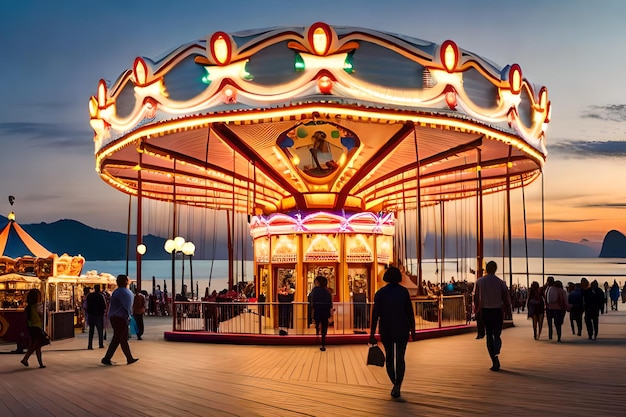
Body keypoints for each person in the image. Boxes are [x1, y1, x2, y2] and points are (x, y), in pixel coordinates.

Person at [369, 266, 416, 399]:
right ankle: (398, 384)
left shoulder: (380, 293)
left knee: (389, 356)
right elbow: (409, 312)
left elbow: (375, 315)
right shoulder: (403, 292)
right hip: (402, 329)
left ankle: (394, 382)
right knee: (400, 357)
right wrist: (413, 330)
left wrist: (372, 334)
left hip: (387, 329)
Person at [474, 261, 511, 371]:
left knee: (489, 334)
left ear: (486, 269)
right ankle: (496, 349)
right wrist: (508, 308)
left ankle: (494, 359)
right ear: (495, 269)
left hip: (485, 311)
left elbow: (475, 296)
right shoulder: (500, 282)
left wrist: (476, 309)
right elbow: (506, 297)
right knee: (497, 333)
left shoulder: (480, 281)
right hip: (497, 311)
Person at [101, 274, 139, 365]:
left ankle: (107, 358)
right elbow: (127, 306)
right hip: (120, 318)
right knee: (122, 338)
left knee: (117, 338)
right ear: (126, 281)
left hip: (116, 317)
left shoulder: (117, 292)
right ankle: (129, 358)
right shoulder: (125, 292)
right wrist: (129, 316)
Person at [20, 288, 46, 368]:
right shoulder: (36, 306)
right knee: (36, 344)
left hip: (32, 327)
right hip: (36, 327)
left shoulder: (28, 307)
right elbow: (40, 316)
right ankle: (25, 358)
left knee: (37, 346)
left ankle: (40, 363)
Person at [310, 275, 333, 351]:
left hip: (318, 309)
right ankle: (323, 341)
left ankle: (317, 335)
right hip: (325, 310)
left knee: (317, 323)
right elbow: (330, 303)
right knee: (324, 326)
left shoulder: (315, 290)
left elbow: (312, 300)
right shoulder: (328, 291)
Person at [86, 284, 106, 349]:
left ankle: (90, 345)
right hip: (98, 315)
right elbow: (104, 306)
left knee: (91, 330)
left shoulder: (89, 296)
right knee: (100, 330)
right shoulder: (100, 296)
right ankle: (101, 344)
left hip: (91, 314)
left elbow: (87, 305)